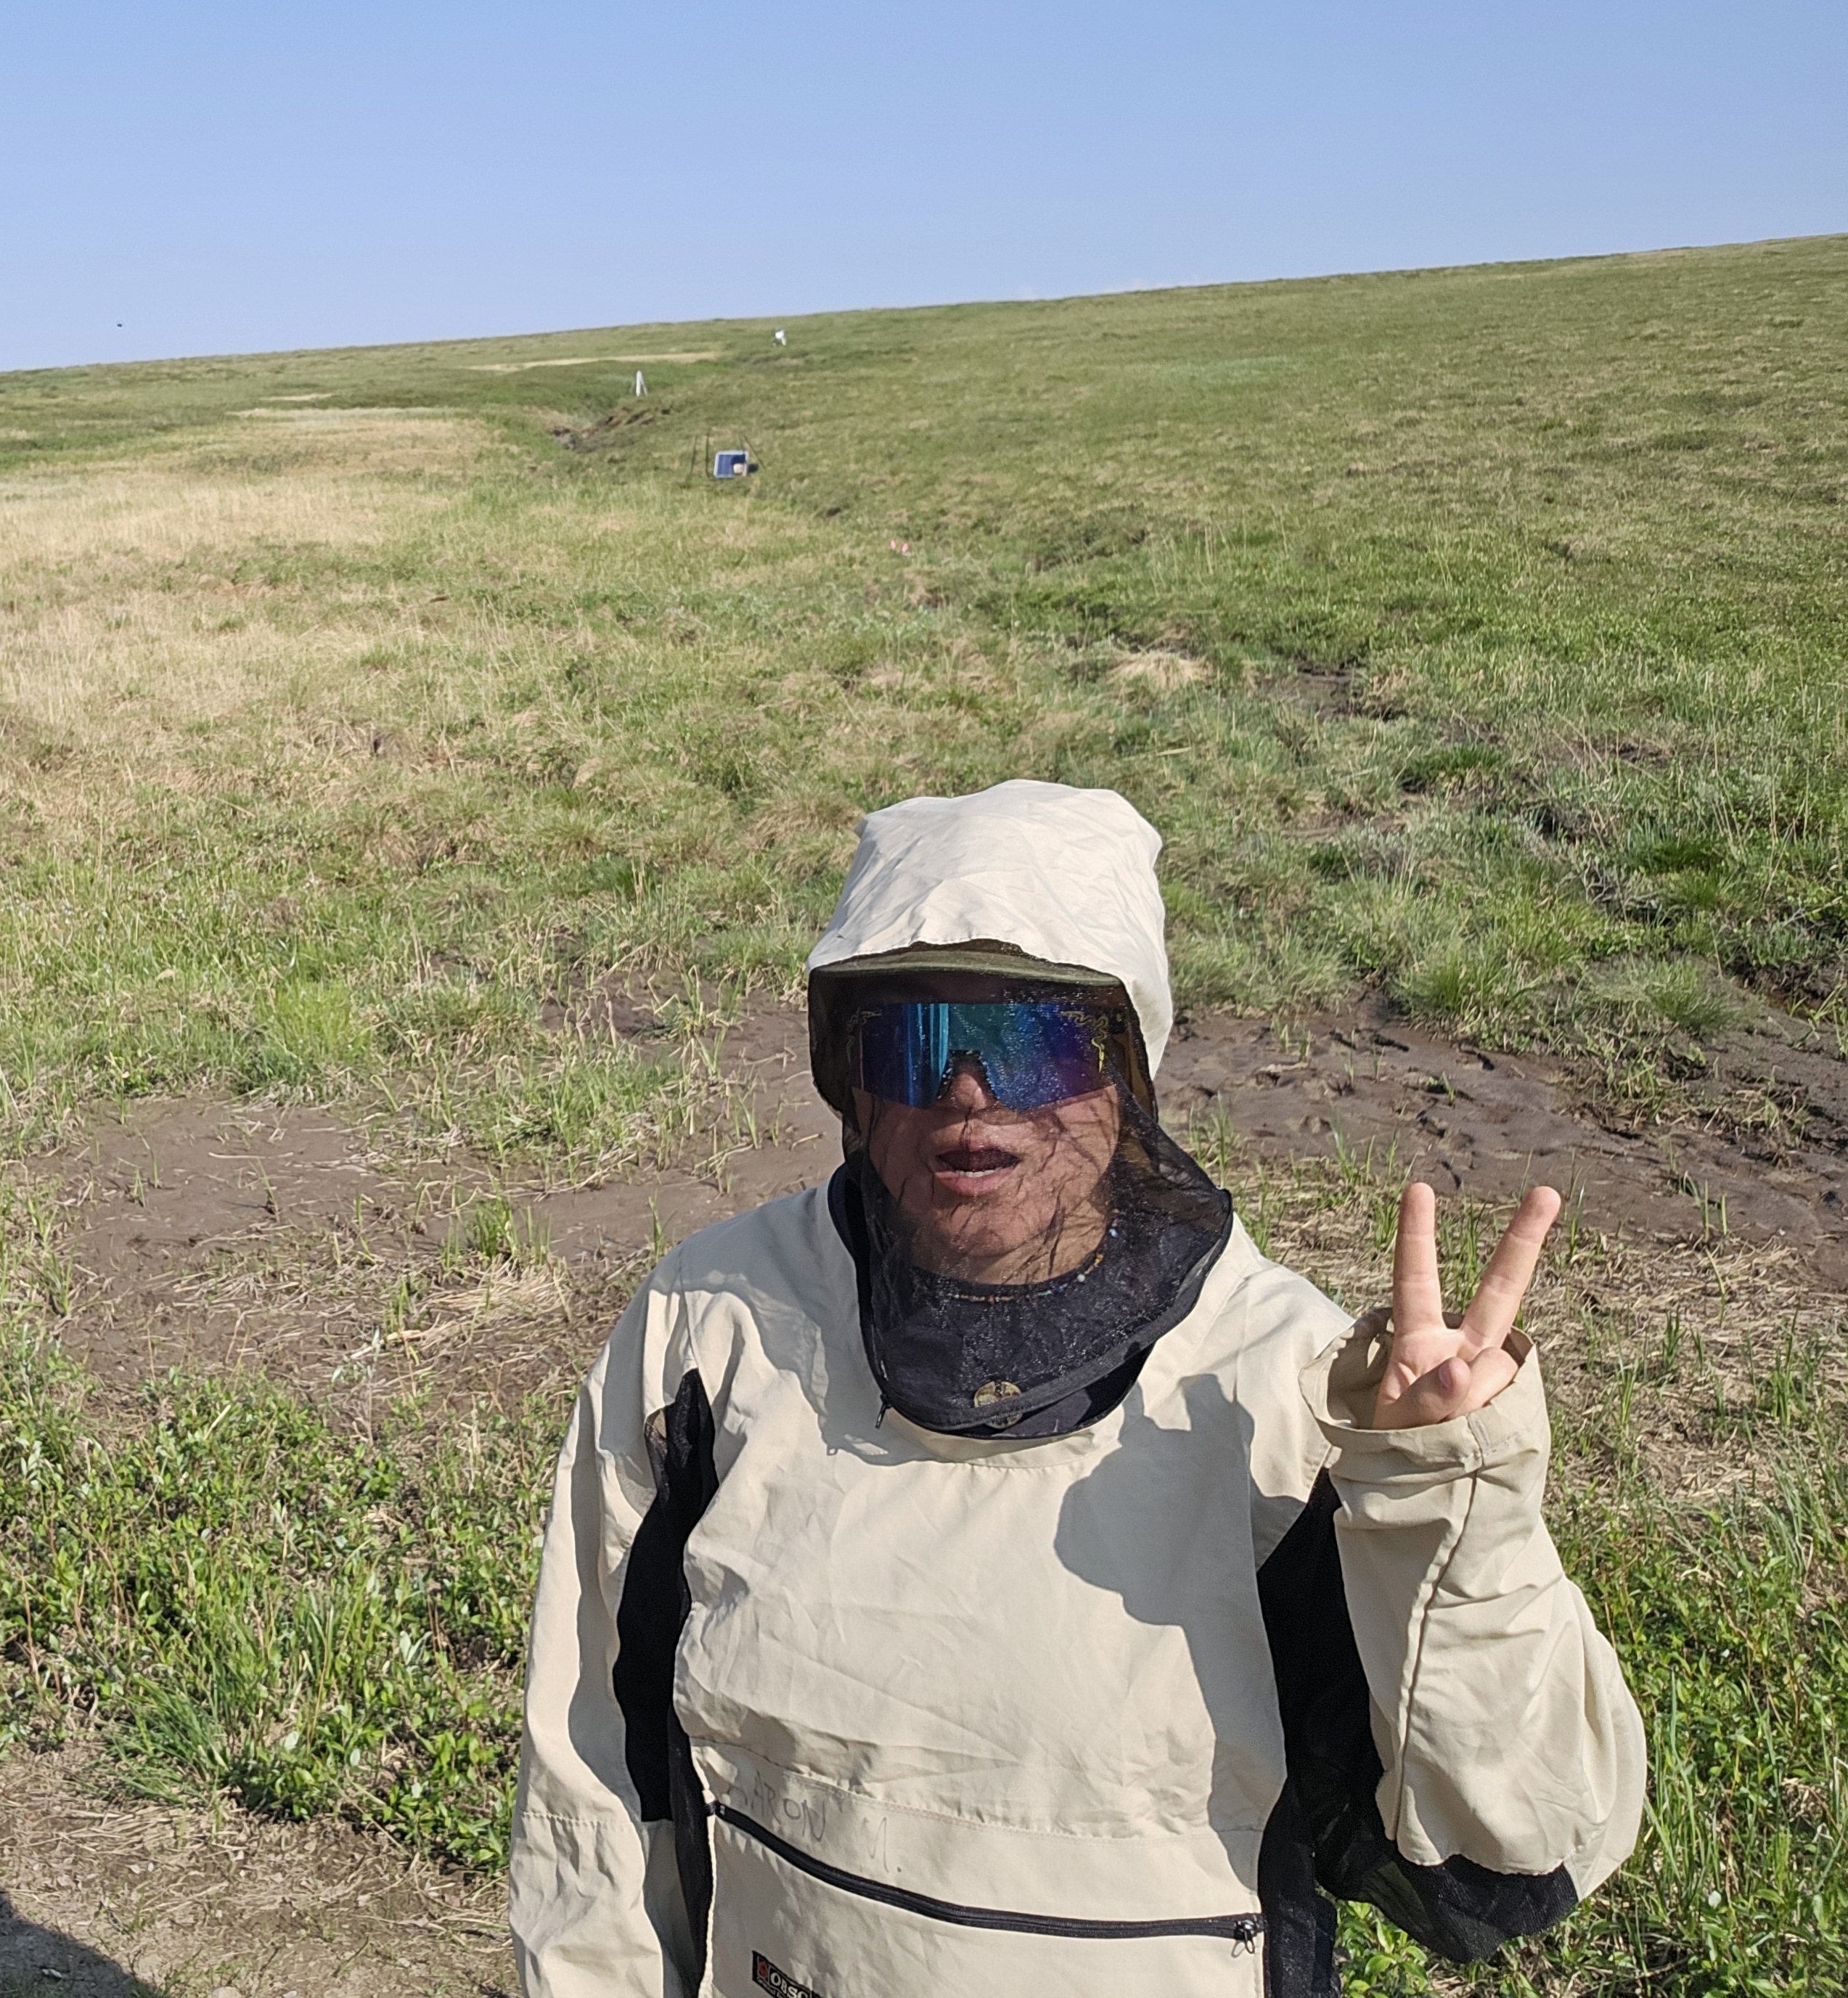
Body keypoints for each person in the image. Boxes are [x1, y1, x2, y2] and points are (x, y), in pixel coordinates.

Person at [507, 780, 1644, 1998]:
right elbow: (596, 1779)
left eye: (1034, 1038)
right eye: (916, 1039)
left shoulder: (1284, 1389)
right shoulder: (713, 1321)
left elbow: (1499, 1870)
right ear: (849, 1071)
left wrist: (1442, 1500)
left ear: (1128, 1068)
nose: (969, 1095)